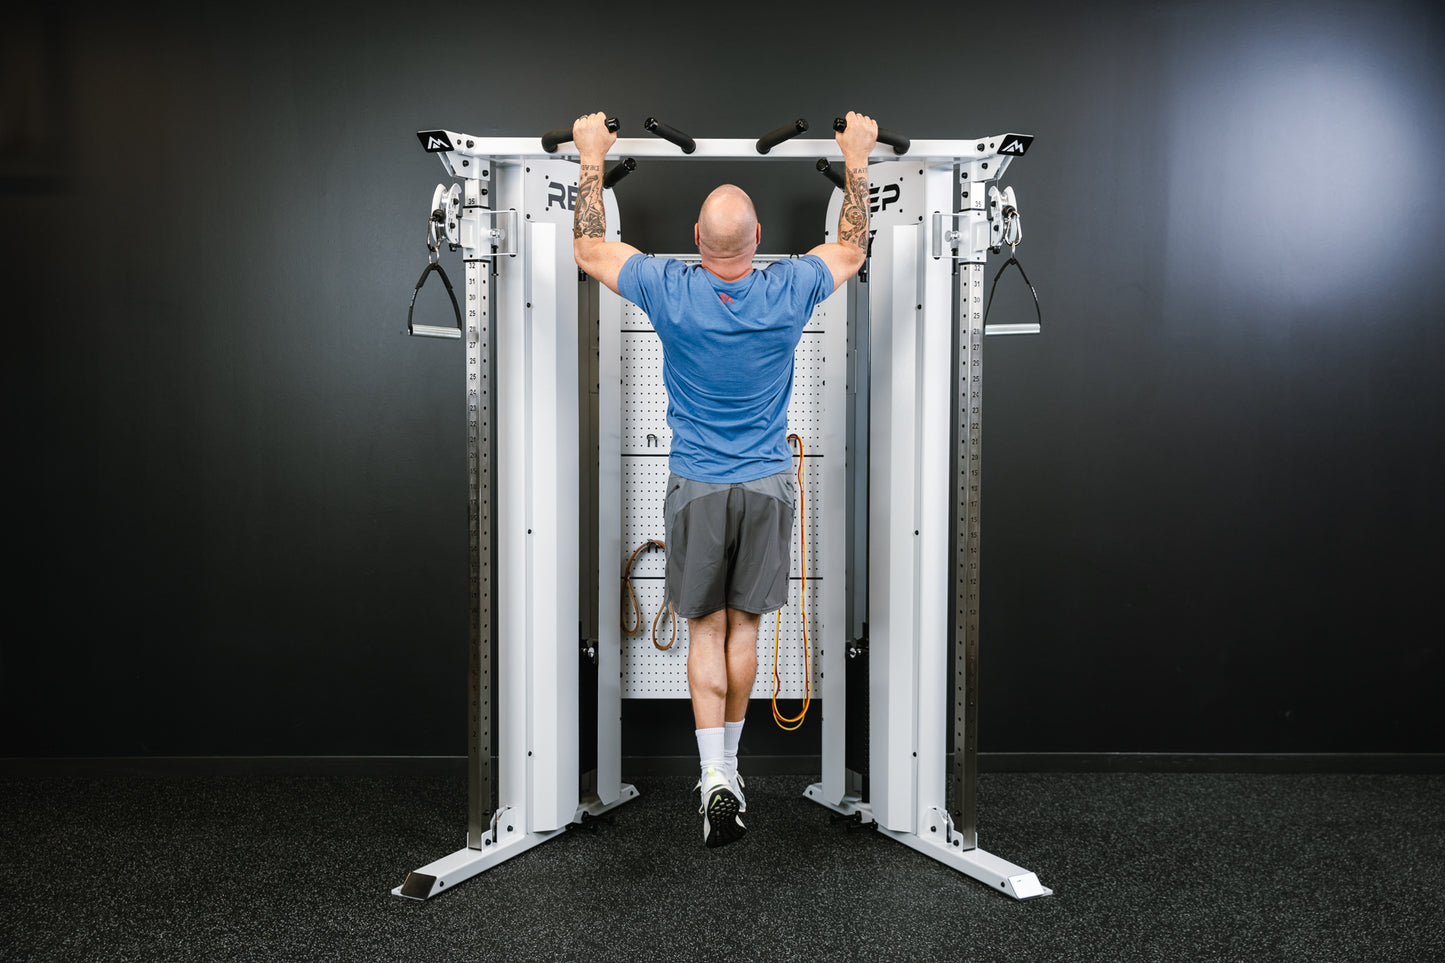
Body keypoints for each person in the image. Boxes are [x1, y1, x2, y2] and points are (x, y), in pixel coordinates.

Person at [572, 109, 879, 847]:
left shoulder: (668, 288)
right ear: (758, 244)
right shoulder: (788, 289)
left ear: (697, 243)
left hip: (698, 488)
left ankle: (712, 774)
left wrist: (590, 159)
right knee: (743, 629)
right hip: (768, 485)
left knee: (704, 631)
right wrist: (857, 159)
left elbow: (588, 247)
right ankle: (730, 769)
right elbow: (852, 245)